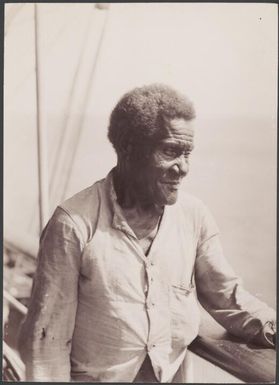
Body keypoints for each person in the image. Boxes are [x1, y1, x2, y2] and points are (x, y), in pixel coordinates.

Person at [18, 84, 276, 382]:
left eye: (187, 153)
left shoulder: (193, 218)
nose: (183, 167)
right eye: (171, 151)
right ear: (129, 148)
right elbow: (45, 346)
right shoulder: (73, 225)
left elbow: (228, 299)